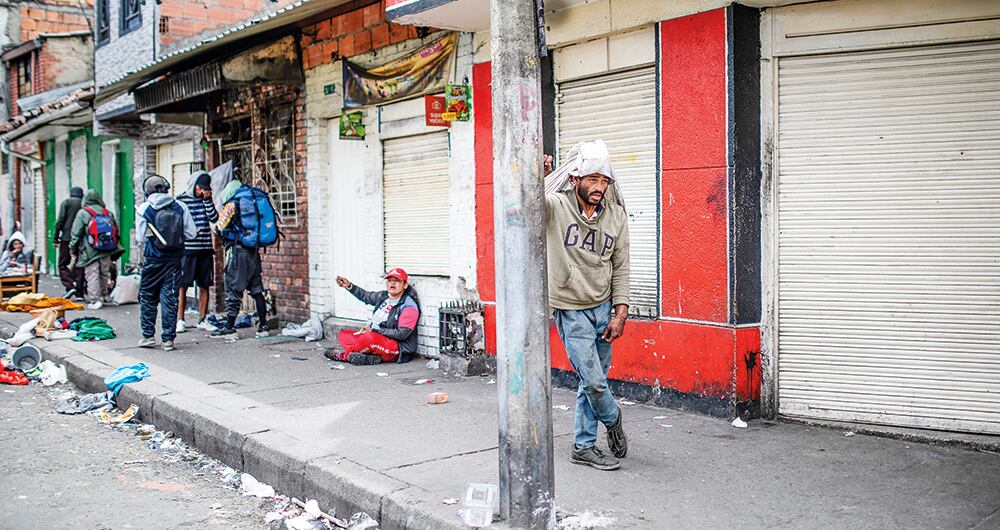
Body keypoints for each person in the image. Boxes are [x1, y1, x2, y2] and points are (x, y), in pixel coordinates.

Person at [544, 140, 630, 471]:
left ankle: (583, 446)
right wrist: (540, 175)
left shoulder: (616, 216)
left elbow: (621, 266)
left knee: (589, 381)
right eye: (592, 180)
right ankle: (613, 416)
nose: (598, 187)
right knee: (594, 381)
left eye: (604, 181)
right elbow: (526, 206)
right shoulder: (556, 205)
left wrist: (620, 313)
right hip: (570, 308)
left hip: (603, 308)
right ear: (576, 179)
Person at [136, 174, 197, 352]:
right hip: (174, 260)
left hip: (153, 260)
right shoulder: (180, 206)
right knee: (170, 298)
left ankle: (148, 336)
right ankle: (168, 339)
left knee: (148, 297)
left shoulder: (144, 208)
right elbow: (191, 233)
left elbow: (140, 238)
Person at [209, 180, 269, 340]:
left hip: (238, 253)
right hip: (253, 252)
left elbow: (218, 228)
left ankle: (229, 328)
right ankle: (263, 326)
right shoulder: (252, 201)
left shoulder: (232, 205)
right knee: (257, 290)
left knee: (234, 291)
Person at [326, 268, 420, 365]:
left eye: (396, 281)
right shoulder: (384, 296)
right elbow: (365, 296)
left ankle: (344, 356)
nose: (392, 283)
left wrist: (374, 331)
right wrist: (349, 286)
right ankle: (371, 356)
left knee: (369, 339)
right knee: (344, 335)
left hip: (398, 347)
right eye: (389, 280)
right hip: (375, 337)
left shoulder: (409, 306)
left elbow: (402, 334)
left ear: (405, 285)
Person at [175, 170, 219, 333]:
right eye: (200, 189)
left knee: (204, 285)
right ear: (194, 185)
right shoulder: (180, 201)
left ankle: (202, 319)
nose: (202, 192)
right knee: (182, 286)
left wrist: (208, 201)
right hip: (187, 250)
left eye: (205, 189)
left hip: (205, 248)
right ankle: (180, 319)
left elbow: (214, 218)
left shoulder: (206, 199)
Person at [68, 190, 124, 310]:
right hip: (106, 248)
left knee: (92, 274)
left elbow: (75, 234)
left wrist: (72, 248)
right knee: (104, 273)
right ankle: (105, 295)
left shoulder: (83, 213)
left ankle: (95, 299)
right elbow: (116, 231)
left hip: (89, 249)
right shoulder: (107, 212)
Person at [53, 187, 84, 297]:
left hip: (67, 238)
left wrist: (55, 238)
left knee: (62, 264)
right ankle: (80, 292)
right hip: (81, 239)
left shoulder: (66, 202)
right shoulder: (85, 204)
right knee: (80, 264)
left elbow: (59, 220)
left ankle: (70, 286)